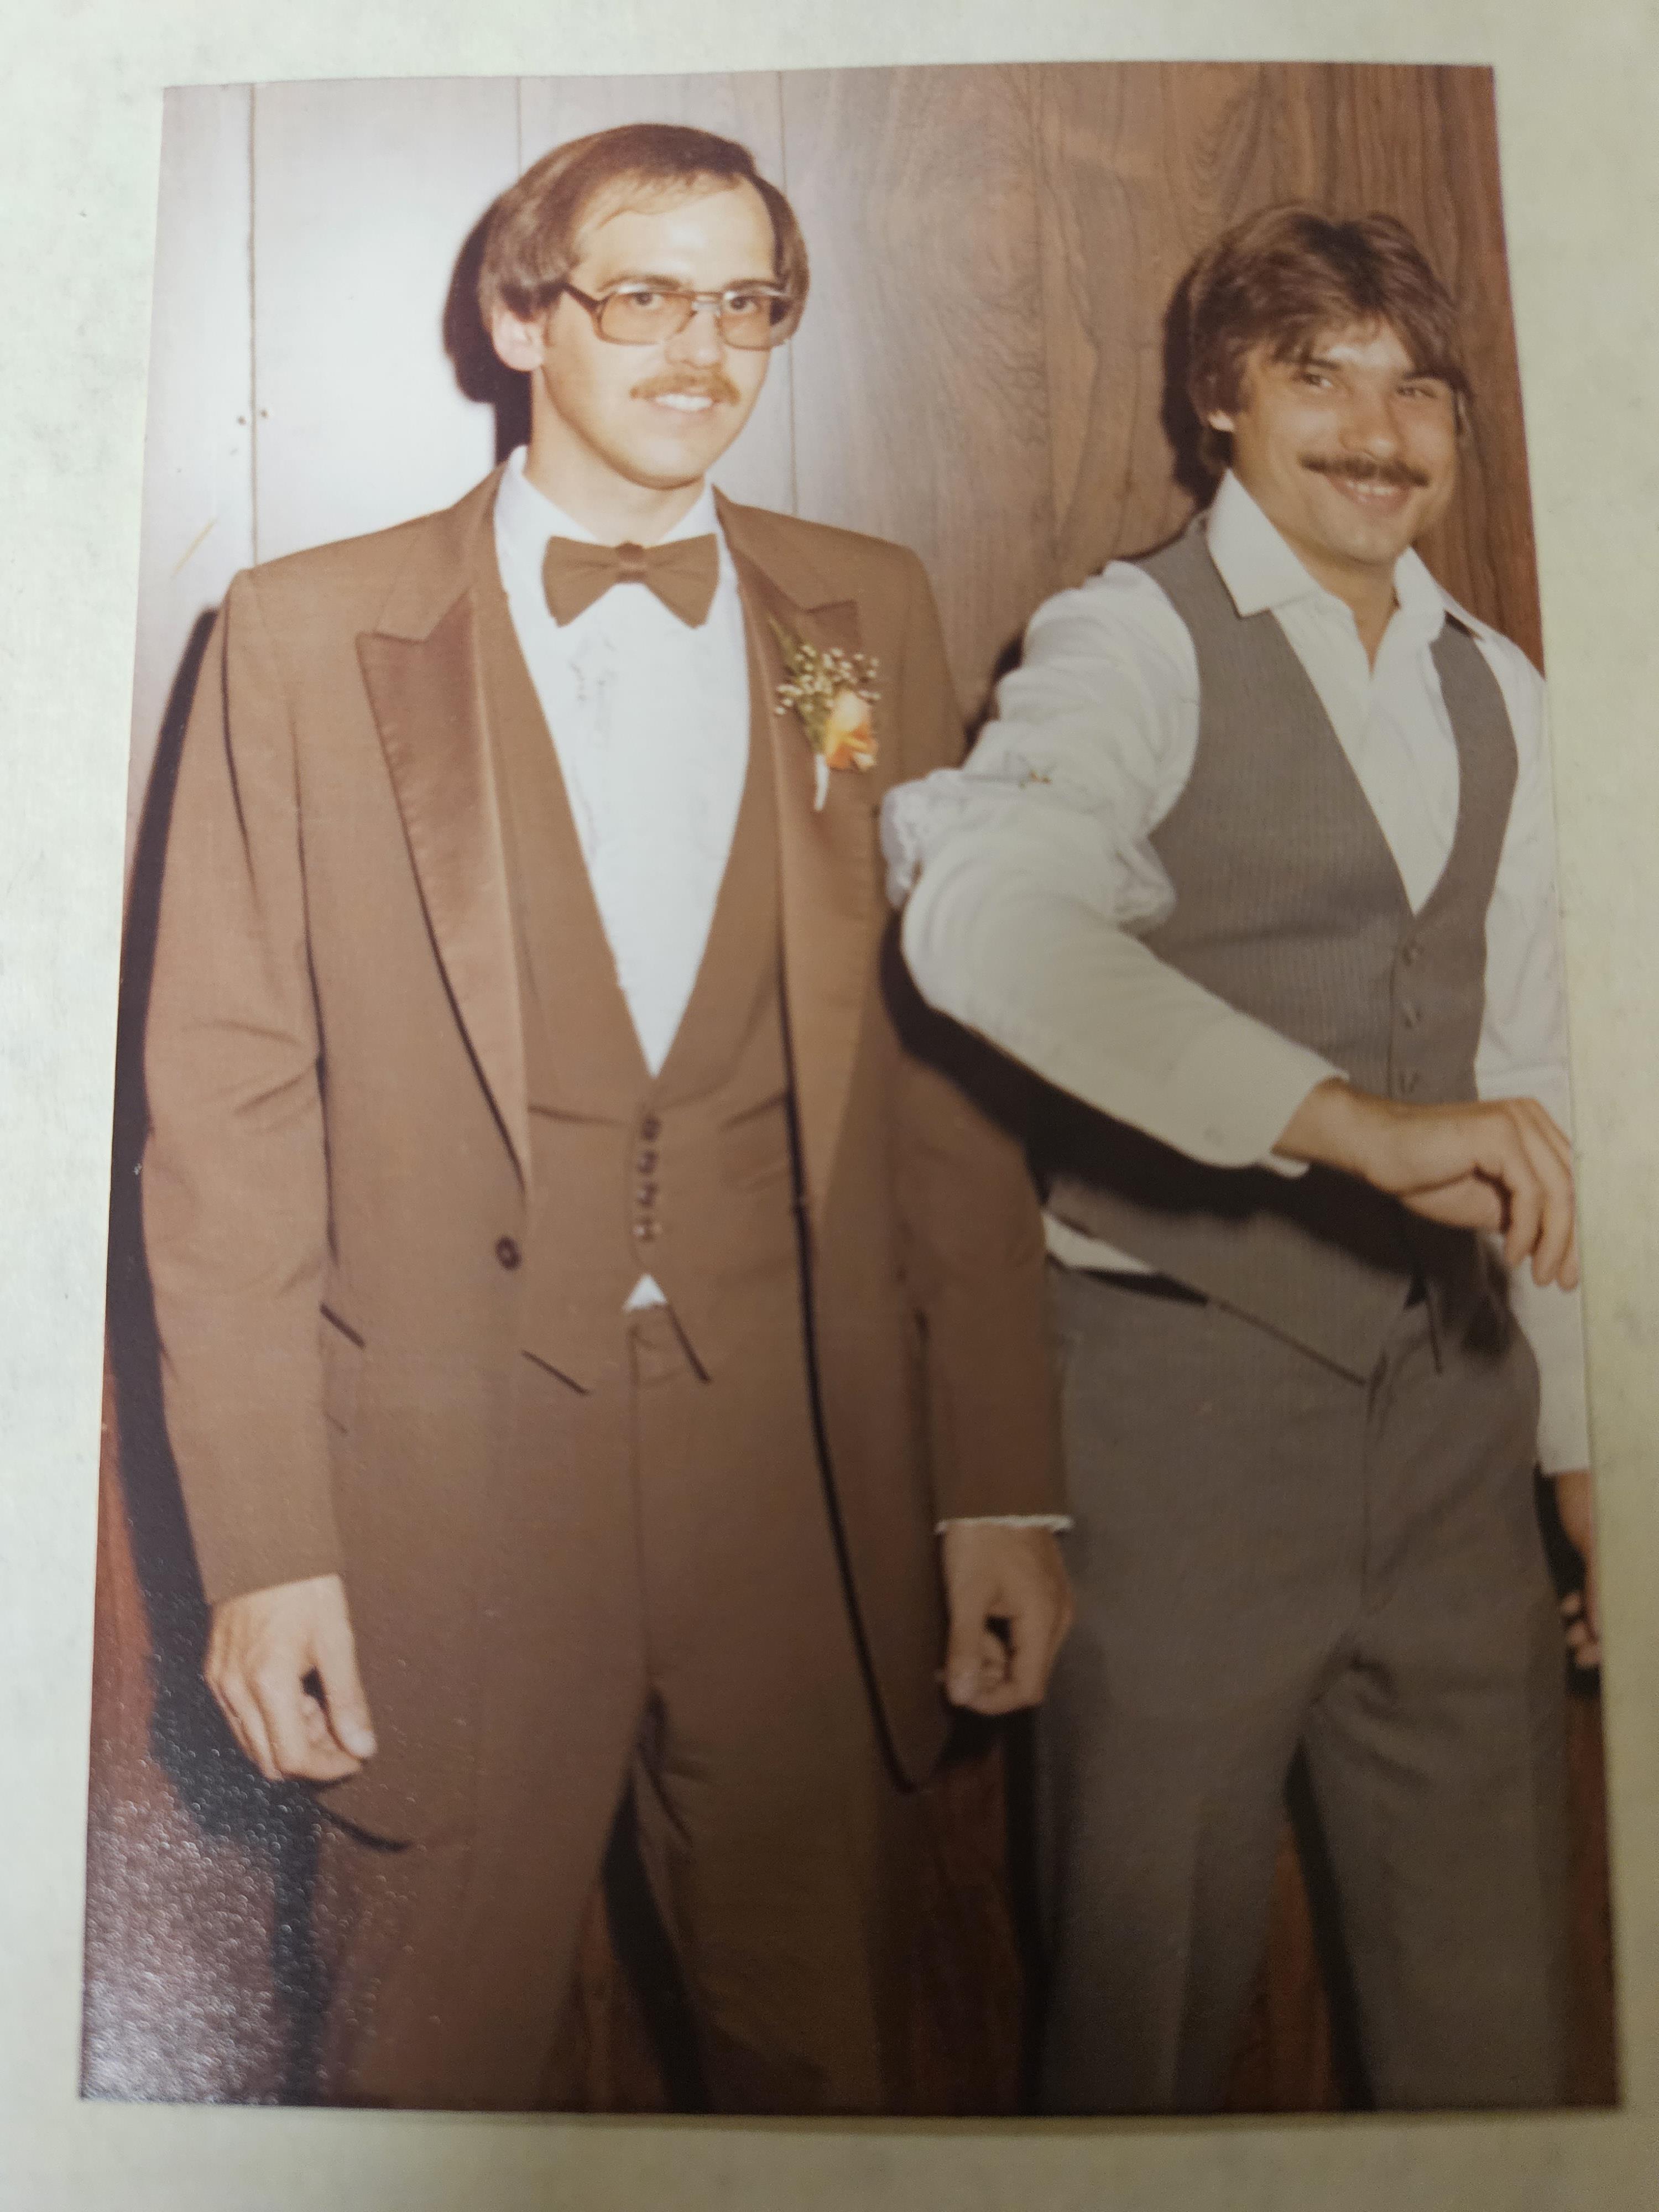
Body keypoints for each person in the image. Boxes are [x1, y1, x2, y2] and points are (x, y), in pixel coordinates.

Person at [141, 121, 1070, 2115]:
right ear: (517, 315)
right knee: (418, 2092)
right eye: (643, 294)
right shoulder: (302, 637)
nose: (701, 352)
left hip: (803, 1497)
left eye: (746, 306)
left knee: (828, 2084)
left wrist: (999, 1477)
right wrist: (266, 1543)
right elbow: (222, 1123)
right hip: (439, 1497)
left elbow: (945, 1076)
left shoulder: (860, 618)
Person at [883, 204, 1590, 2114]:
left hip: (1453, 1442)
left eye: (1415, 383)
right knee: (1141, 2034)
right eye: (1317, 374)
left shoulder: (1502, 687)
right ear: (1219, 403)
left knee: (1503, 2035)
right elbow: (986, 923)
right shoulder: (1128, 642)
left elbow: (1537, 1081)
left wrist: (1596, 1473)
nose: (1378, 429)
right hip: (1173, 1432)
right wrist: (1348, 1127)